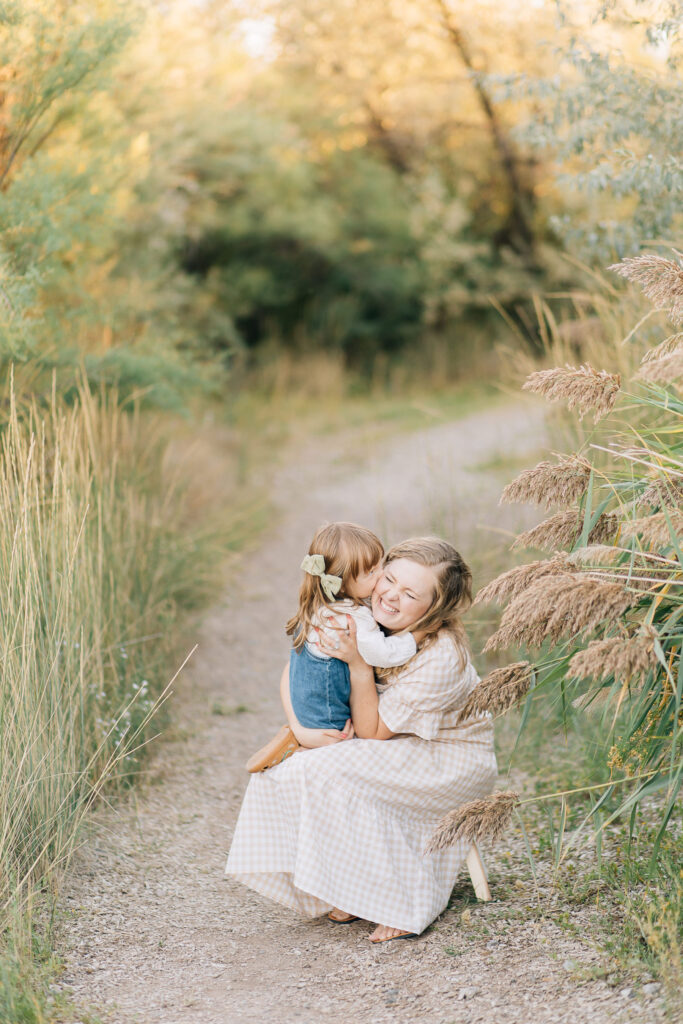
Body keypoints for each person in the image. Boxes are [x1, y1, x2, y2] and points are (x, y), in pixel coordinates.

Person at [226, 537, 497, 943]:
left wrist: (355, 662)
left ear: (435, 609)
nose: (390, 595)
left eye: (410, 594)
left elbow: (372, 731)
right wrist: (299, 727)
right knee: (291, 769)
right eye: (389, 578)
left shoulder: (442, 657)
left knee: (327, 770)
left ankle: (406, 901)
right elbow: (296, 666)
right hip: (399, 743)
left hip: (447, 759)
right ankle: (349, 886)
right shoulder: (369, 611)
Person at [245, 521, 418, 772]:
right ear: (343, 583)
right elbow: (384, 654)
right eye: (371, 572)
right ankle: (300, 751)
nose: (381, 574)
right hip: (328, 717)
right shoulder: (352, 618)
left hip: (306, 705)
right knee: (351, 749)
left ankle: (297, 741)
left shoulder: (320, 605)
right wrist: (416, 637)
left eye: (380, 564)